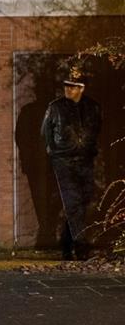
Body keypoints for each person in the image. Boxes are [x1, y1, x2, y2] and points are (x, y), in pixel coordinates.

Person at [41, 67, 102, 260]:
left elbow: (97, 128)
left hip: (85, 159)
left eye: (73, 86)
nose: (68, 89)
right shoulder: (55, 107)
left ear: (81, 88)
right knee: (73, 201)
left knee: (83, 201)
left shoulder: (93, 107)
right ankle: (81, 245)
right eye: (66, 85)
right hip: (63, 161)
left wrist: (90, 148)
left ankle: (66, 243)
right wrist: (54, 152)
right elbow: (46, 132)